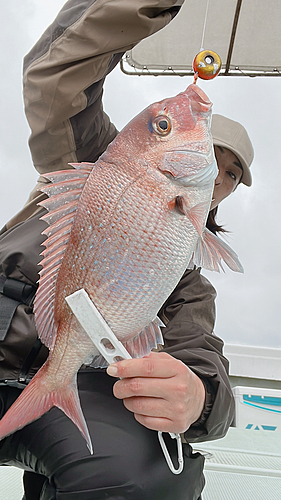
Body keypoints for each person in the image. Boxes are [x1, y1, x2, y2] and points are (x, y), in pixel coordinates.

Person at [0, 1, 254, 499]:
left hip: (72, 395)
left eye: (230, 174)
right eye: (211, 152)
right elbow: (55, 78)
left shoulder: (188, 280)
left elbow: (200, 355)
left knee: (153, 478)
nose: (217, 175)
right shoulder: (98, 166)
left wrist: (199, 398)